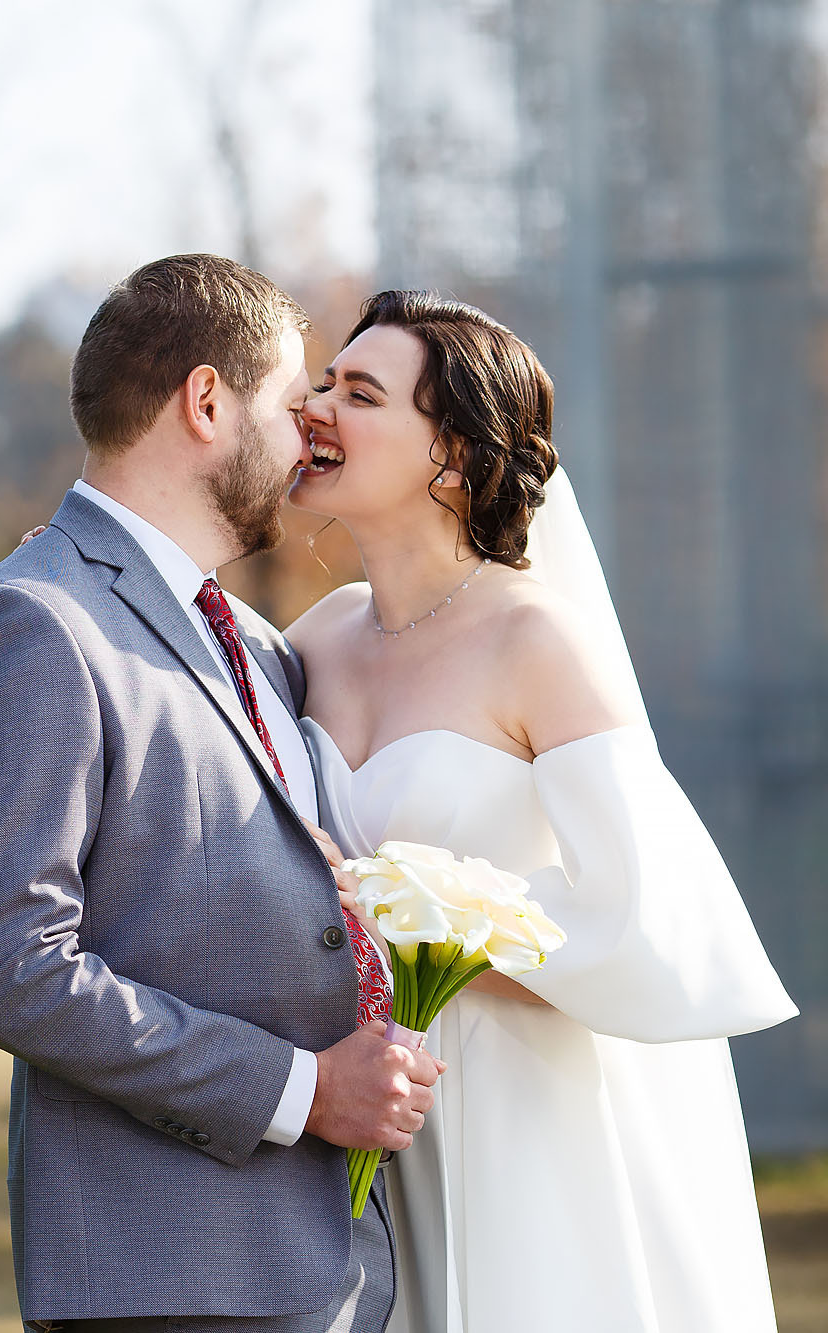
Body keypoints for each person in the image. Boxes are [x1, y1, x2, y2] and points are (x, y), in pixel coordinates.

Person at [0, 254, 442, 1333]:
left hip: (331, 1267)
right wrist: (302, 1090)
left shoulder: (257, 644)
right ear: (204, 401)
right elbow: (9, 969)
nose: (310, 431)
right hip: (169, 1279)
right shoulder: (30, 624)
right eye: (292, 400)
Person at [285, 290, 795, 1332]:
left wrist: (430, 937)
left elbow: (641, 911)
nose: (313, 405)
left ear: (453, 457)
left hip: (522, 1108)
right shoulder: (315, 637)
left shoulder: (534, 642)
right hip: (364, 1110)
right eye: (325, 381)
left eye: (360, 392)